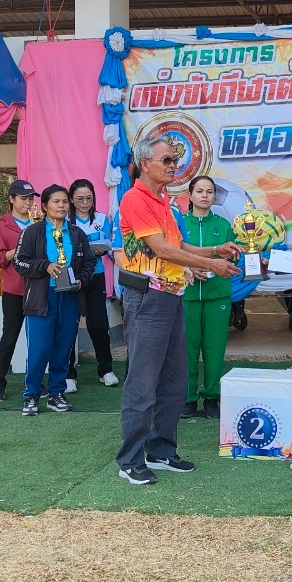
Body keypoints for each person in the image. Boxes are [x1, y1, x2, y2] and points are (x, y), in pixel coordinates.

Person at [116, 137, 241, 485]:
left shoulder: (164, 201)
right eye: (167, 160)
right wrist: (211, 264)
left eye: (174, 160)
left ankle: (160, 451)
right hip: (147, 300)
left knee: (174, 382)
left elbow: (178, 245)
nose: (174, 166)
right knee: (142, 384)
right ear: (145, 164)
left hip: (173, 297)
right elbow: (161, 250)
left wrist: (215, 250)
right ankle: (130, 460)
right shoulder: (135, 199)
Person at [13, 185, 94, 416]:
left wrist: (81, 280)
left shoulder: (77, 234)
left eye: (65, 202)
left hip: (69, 297)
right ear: (45, 206)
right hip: (41, 299)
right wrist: (45, 266)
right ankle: (31, 395)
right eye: (56, 202)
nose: (61, 206)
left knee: (63, 349)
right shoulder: (32, 232)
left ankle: (56, 394)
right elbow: (19, 262)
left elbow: (89, 263)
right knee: (39, 349)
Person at [178, 175, 238, 420]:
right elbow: (170, 255)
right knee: (187, 350)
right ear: (190, 195)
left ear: (214, 197)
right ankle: (188, 398)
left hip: (217, 296)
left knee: (214, 349)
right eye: (200, 191)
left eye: (209, 191)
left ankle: (212, 397)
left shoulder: (224, 225)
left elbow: (234, 256)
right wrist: (188, 267)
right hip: (187, 296)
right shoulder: (180, 224)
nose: (205, 195)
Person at [0, 179, 37, 403]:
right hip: (14, 290)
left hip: (38, 289)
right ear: (11, 199)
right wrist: (20, 248)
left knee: (37, 339)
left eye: (30, 198)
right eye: (23, 198)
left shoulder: (38, 222)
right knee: (9, 337)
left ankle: (36, 382)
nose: (28, 202)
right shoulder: (1, 224)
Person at [68, 178, 119, 391]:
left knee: (98, 325)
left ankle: (106, 369)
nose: (85, 203)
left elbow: (108, 244)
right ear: (71, 199)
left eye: (89, 198)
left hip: (95, 275)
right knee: (68, 326)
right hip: (71, 276)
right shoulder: (65, 221)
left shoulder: (102, 218)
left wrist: (101, 249)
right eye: (80, 199)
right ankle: (68, 374)